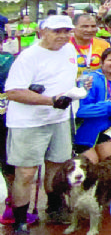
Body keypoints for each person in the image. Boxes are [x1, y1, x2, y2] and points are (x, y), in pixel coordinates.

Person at [4, 15, 80, 231]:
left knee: (57, 168)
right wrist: (49, 100)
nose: (63, 35)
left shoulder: (69, 50)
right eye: (57, 31)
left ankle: (54, 208)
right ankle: (20, 221)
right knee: (26, 174)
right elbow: (12, 91)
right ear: (42, 32)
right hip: (28, 122)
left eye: (67, 31)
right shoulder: (29, 57)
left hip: (60, 119)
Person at [75, 46, 111, 163]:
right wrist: (110, 105)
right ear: (102, 62)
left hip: (105, 128)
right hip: (85, 132)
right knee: (91, 163)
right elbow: (81, 111)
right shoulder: (90, 79)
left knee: (110, 164)